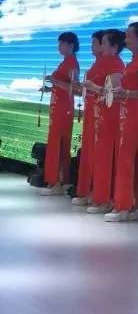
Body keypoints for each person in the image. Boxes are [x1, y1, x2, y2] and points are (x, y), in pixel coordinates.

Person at [105, 22, 138, 222]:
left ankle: (124, 207)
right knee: (129, 161)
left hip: (137, 116)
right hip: (128, 115)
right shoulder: (133, 61)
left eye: (128, 36)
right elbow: (131, 90)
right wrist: (120, 93)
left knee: (128, 160)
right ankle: (136, 205)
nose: (125, 40)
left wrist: (125, 93)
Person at [85, 29, 126, 214]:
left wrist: (93, 87)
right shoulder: (104, 63)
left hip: (111, 115)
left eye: (103, 43)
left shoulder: (116, 64)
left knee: (107, 157)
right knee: (100, 156)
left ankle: (106, 199)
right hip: (100, 113)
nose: (100, 47)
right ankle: (99, 196)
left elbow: (114, 92)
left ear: (114, 47)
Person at [40, 32, 80, 196]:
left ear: (71, 45)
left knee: (59, 143)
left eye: (62, 44)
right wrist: (50, 88)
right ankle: (59, 180)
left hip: (64, 109)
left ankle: (56, 181)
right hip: (57, 108)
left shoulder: (72, 63)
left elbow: (75, 88)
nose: (59, 47)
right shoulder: (64, 62)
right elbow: (63, 86)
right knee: (57, 143)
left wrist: (54, 81)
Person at [71, 30, 104, 206]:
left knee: (97, 154)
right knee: (89, 152)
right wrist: (80, 87)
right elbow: (88, 90)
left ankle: (97, 192)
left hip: (101, 113)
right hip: (90, 111)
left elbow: (107, 91)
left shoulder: (110, 64)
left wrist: (90, 87)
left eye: (95, 43)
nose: (92, 46)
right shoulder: (95, 64)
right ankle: (86, 190)